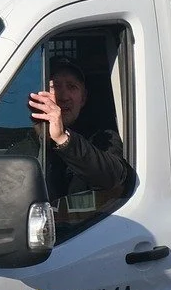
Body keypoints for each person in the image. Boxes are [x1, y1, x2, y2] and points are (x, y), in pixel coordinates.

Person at [26, 58, 135, 201]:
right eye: (55, 86)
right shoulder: (24, 146)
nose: (63, 96)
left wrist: (63, 139)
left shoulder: (103, 138)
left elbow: (114, 178)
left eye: (72, 87)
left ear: (83, 99)